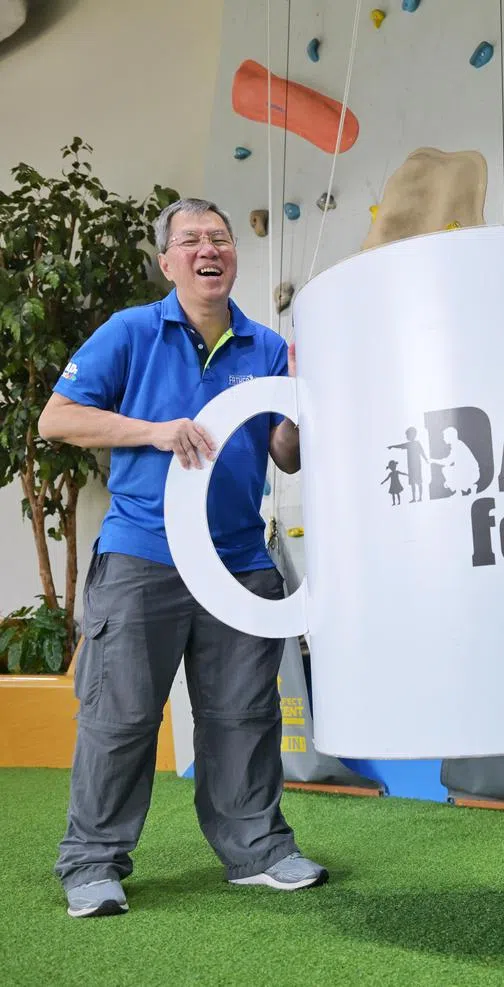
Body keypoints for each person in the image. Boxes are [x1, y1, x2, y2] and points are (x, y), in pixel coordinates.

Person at [39, 197, 327, 918]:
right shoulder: (130, 331)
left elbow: (284, 457)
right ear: (167, 261)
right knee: (122, 715)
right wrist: (154, 431)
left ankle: (258, 851)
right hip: (143, 556)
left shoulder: (264, 345)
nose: (209, 249)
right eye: (192, 239)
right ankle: (92, 864)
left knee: (243, 714)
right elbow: (57, 418)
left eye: (221, 238)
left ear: (234, 256)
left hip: (236, 559)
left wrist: (300, 409)